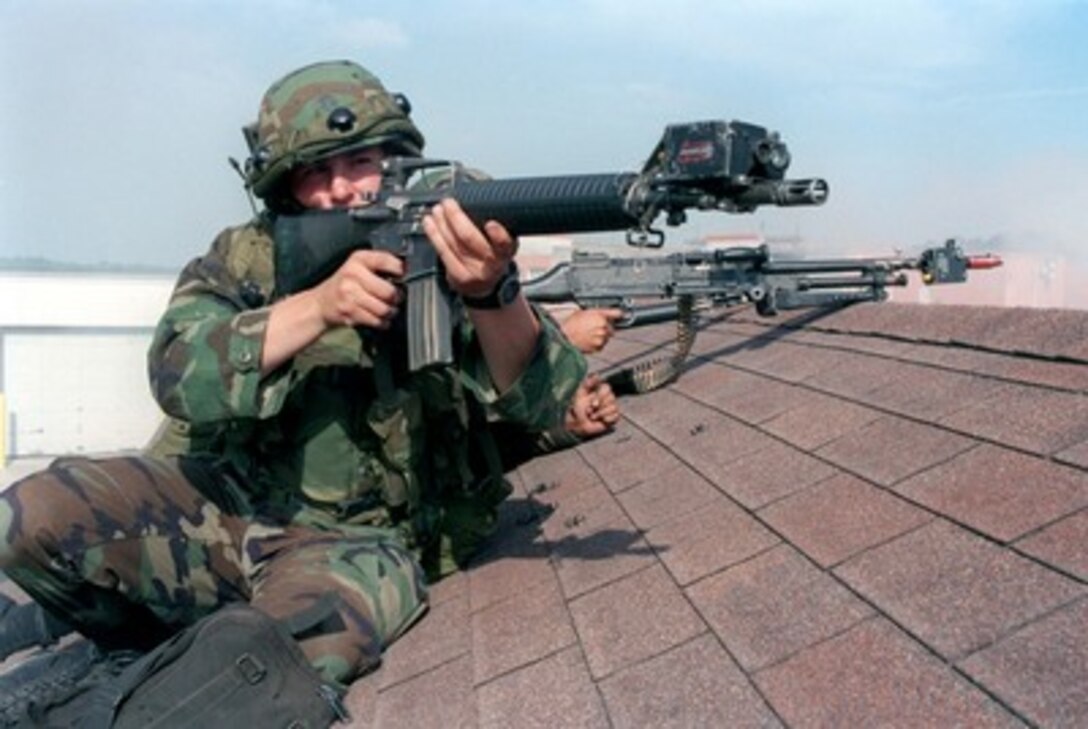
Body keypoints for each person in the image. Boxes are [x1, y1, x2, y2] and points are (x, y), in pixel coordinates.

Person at [0, 60, 617, 687]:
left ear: (397, 158)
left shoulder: (449, 236)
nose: (345, 190)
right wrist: (319, 308)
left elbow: (542, 401)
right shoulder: (250, 255)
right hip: (227, 508)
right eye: (318, 173)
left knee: (276, 664)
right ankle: (134, 645)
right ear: (284, 189)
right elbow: (176, 369)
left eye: (361, 163)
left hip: (360, 541)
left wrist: (491, 294)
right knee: (26, 521)